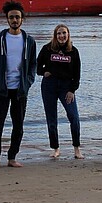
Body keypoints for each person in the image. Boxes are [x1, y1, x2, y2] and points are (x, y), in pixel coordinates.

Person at [0, 0, 37, 168]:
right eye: (11, 17)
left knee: (18, 125)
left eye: (17, 17)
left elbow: (33, 65)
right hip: (1, 90)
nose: (14, 20)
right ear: (7, 19)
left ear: (22, 19)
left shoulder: (29, 41)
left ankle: (12, 157)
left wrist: (28, 82)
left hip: (20, 90)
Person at [38, 24, 84, 159]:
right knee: (51, 119)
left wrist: (72, 90)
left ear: (68, 35)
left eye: (64, 33)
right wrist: (43, 72)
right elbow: (37, 66)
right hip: (49, 86)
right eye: (59, 33)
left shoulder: (73, 51)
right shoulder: (47, 49)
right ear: (55, 35)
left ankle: (76, 149)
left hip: (66, 87)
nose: (61, 36)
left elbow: (77, 74)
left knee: (74, 117)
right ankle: (55, 148)